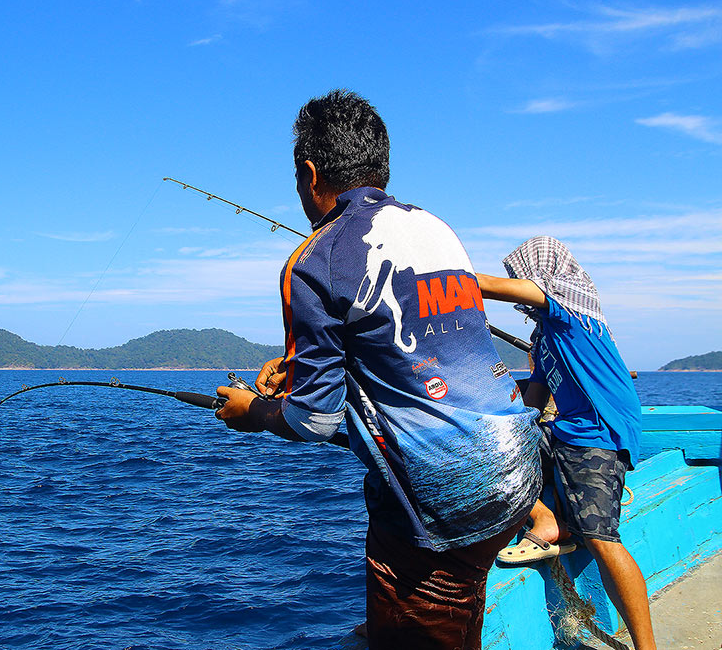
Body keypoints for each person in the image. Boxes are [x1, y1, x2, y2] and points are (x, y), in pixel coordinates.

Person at [215, 89, 542, 650]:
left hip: (443, 499)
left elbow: (313, 422)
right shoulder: (437, 229)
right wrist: (295, 366)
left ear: (311, 174)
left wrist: (255, 411)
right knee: (460, 614)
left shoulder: (313, 260)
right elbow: (406, 352)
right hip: (515, 470)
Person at [477, 237, 656, 650]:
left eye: (521, 275)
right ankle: (546, 519)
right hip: (565, 431)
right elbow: (533, 401)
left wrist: (435, 277)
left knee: (601, 538)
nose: (517, 282)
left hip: (598, 432)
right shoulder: (544, 336)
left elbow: (491, 287)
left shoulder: (573, 304)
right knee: (485, 446)